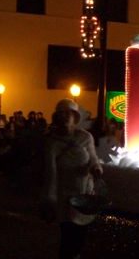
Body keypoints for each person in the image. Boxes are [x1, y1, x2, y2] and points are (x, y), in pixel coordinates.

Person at [41, 98, 103, 258]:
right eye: (60, 115)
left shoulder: (85, 137)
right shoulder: (52, 143)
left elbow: (93, 158)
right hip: (65, 197)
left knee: (81, 236)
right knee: (68, 238)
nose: (64, 118)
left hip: (84, 195)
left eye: (67, 114)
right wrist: (50, 199)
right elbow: (51, 174)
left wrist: (96, 168)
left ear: (75, 117)